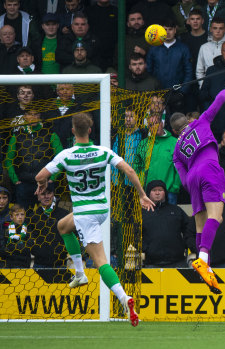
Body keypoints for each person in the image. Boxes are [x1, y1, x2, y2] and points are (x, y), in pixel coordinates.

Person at [34, 112, 155, 327]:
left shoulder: (66, 155)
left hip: (85, 213)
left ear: (73, 131)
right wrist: (142, 194)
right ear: (90, 131)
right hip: (101, 208)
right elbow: (128, 170)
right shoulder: (103, 151)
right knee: (62, 226)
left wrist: (43, 183)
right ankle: (80, 274)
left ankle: (124, 298)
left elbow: (40, 176)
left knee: (100, 261)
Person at [169, 82, 225, 294]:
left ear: (174, 131)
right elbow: (217, 103)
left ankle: (204, 265)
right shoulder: (200, 122)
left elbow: (182, 179)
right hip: (209, 168)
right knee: (216, 217)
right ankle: (202, 259)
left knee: (200, 225)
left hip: (192, 177)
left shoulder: (175, 150)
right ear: (188, 121)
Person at [4, 110, 63, 209]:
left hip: (46, 183)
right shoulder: (17, 135)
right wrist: (15, 180)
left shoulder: (50, 133)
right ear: (24, 116)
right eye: (30, 114)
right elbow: (8, 160)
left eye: (36, 114)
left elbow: (61, 158)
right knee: (24, 217)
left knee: (48, 216)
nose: (33, 117)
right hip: (24, 184)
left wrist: (53, 178)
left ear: (40, 115)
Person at [142, 180, 196, 268]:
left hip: (178, 262)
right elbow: (134, 233)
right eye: (154, 190)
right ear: (148, 193)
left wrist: (189, 246)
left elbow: (189, 230)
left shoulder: (176, 210)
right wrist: (144, 248)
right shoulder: (143, 213)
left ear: (165, 193)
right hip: (151, 263)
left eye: (160, 190)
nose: (157, 193)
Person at [146, 18, 193, 112]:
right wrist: (153, 92)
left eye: (170, 29)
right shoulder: (154, 48)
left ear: (175, 30)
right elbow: (148, 71)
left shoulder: (183, 48)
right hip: (158, 95)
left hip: (177, 95)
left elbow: (189, 72)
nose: (167, 32)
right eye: (165, 30)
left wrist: (182, 93)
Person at [135, 113, 182, 205]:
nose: (154, 126)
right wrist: (141, 185)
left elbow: (180, 167)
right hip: (148, 192)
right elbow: (137, 166)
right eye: (151, 125)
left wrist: (175, 187)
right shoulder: (143, 144)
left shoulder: (174, 142)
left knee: (170, 219)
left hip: (169, 192)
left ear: (162, 124)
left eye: (156, 123)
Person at [27, 182, 70, 268]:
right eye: (43, 194)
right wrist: (36, 250)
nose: (46, 196)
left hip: (61, 264)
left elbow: (73, 235)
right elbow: (29, 238)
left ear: (53, 194)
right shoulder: (33, 217)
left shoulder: (64, 214)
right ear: (38, 196)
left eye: (49, 193)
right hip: (39, 264)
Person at [195, 17, 225, 87]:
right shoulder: (204, 47)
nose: (218, 31)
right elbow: (199, 71)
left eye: (221, 28)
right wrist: (203, 86)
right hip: (209, 87)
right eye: (215, 28)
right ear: (211, 29)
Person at [0, 204, 30, 268]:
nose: (20, 217)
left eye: (22, 214)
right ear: (11, 217)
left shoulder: (28, 231)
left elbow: (29, 248)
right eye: (17, 215)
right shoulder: (5, 230)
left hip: (24, 264)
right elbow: (2, 250)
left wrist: (12, 248)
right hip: (8, 265)